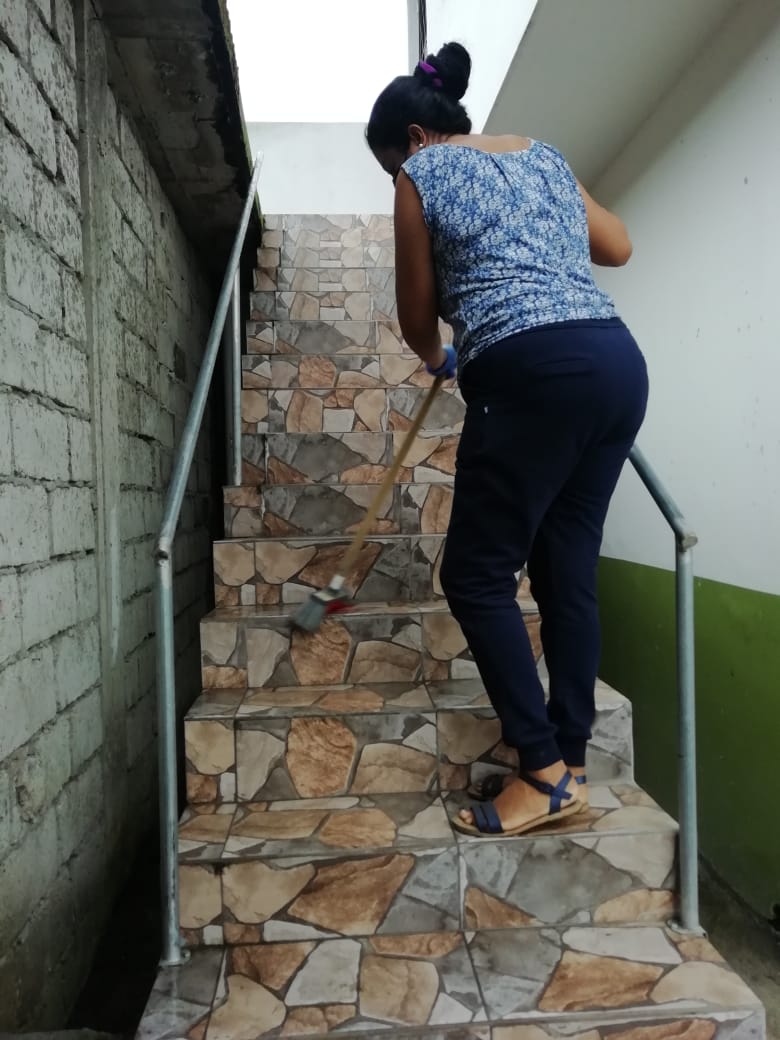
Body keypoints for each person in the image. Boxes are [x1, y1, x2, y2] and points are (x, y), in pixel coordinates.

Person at [366, 42, 649, 837]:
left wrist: (439, 358)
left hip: (531, 373)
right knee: (565, 566)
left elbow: (416, 318)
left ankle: (543, 774)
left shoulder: (423, 173)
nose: (394, 182)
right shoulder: (544, 156)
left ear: (413, 140)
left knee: (477, 575)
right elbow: (618, 246)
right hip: (615, 365)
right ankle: (571, 762)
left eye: (389, 168)